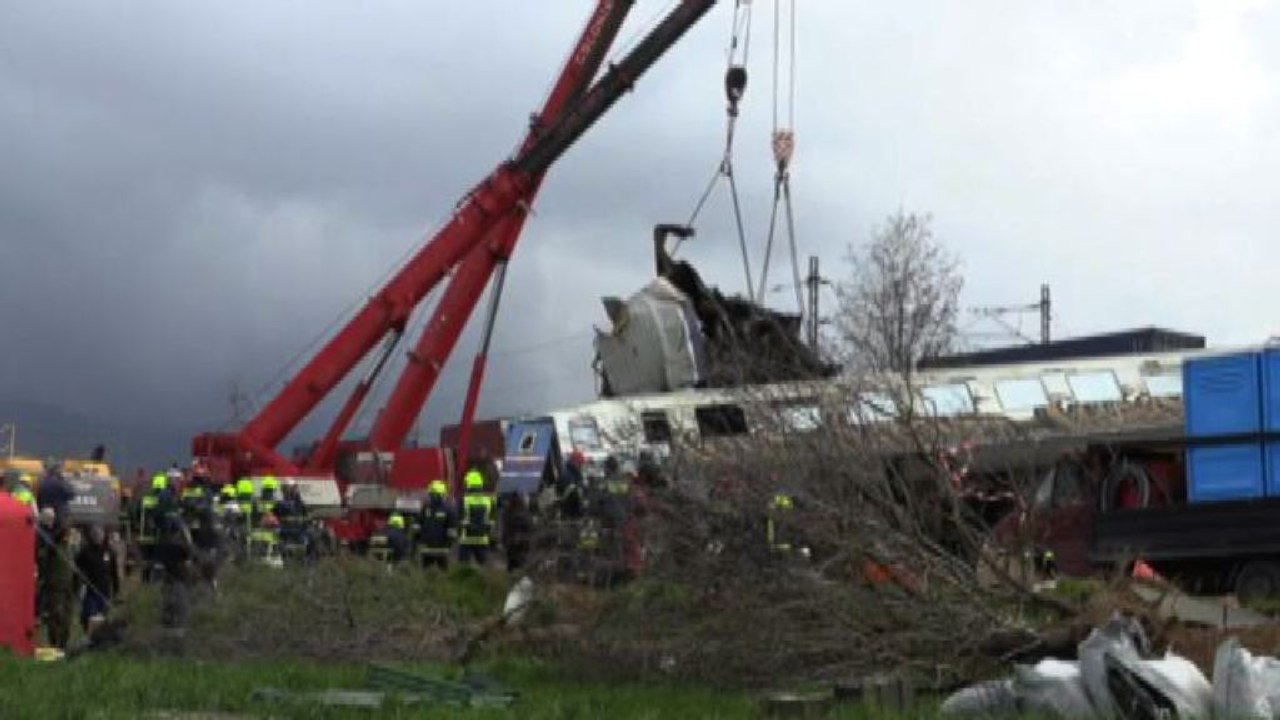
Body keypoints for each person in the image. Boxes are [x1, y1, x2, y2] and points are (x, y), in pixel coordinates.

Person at [37, 510, 75, 649]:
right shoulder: (53, 548)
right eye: (67, 533)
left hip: (68, 586)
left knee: (67, 616)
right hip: (55, 586)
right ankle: (54, 642)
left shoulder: (69, 548)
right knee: (55, 615)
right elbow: (43, 560)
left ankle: (64, 643)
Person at [74, 525, 119, 633]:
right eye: (95, 535)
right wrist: (78, 585)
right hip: (90, 590)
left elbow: (114, 572)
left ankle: (99, 636)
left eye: (100, 535)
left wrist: (116, 588)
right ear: (92, 537)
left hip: (105, 590)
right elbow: (77, 568)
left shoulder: (109, 552)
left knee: (102, 616)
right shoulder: (85, 552)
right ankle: (88, 632)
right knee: (90, 614)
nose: (98, 538)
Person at [415, 480, 456, 570]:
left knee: (426, 571)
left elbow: (417, 527)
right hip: (442, 549)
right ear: (443, 494)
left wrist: (418, 541)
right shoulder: (448, 509)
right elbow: (452, 531)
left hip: (427, 548)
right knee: (443, 571)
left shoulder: (425, 508)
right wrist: (449, 544)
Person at [458, 470, 494, 566]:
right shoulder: (488, 500)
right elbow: (491, 519)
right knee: (483, 564)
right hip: (482, 537)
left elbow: (460, 518)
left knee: (463, 567)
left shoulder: (464, 499)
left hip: (467, 538)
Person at [36, 458, 75, 531]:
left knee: (46, 531)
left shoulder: (43, 482)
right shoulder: (60, 483)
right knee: (58, 532)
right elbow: (71, 494)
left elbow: (38, 498)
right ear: (57, 471)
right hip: (59, 513)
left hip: (45, 511)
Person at [500, 493, 533, 573]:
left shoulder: (507, 511)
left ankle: (512, 573)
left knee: (512, 562)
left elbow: (505, 527)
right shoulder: (525, 511)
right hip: (523, 540)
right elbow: (530, 525)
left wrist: (503, 539)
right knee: (522, 561)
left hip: (512, 540)